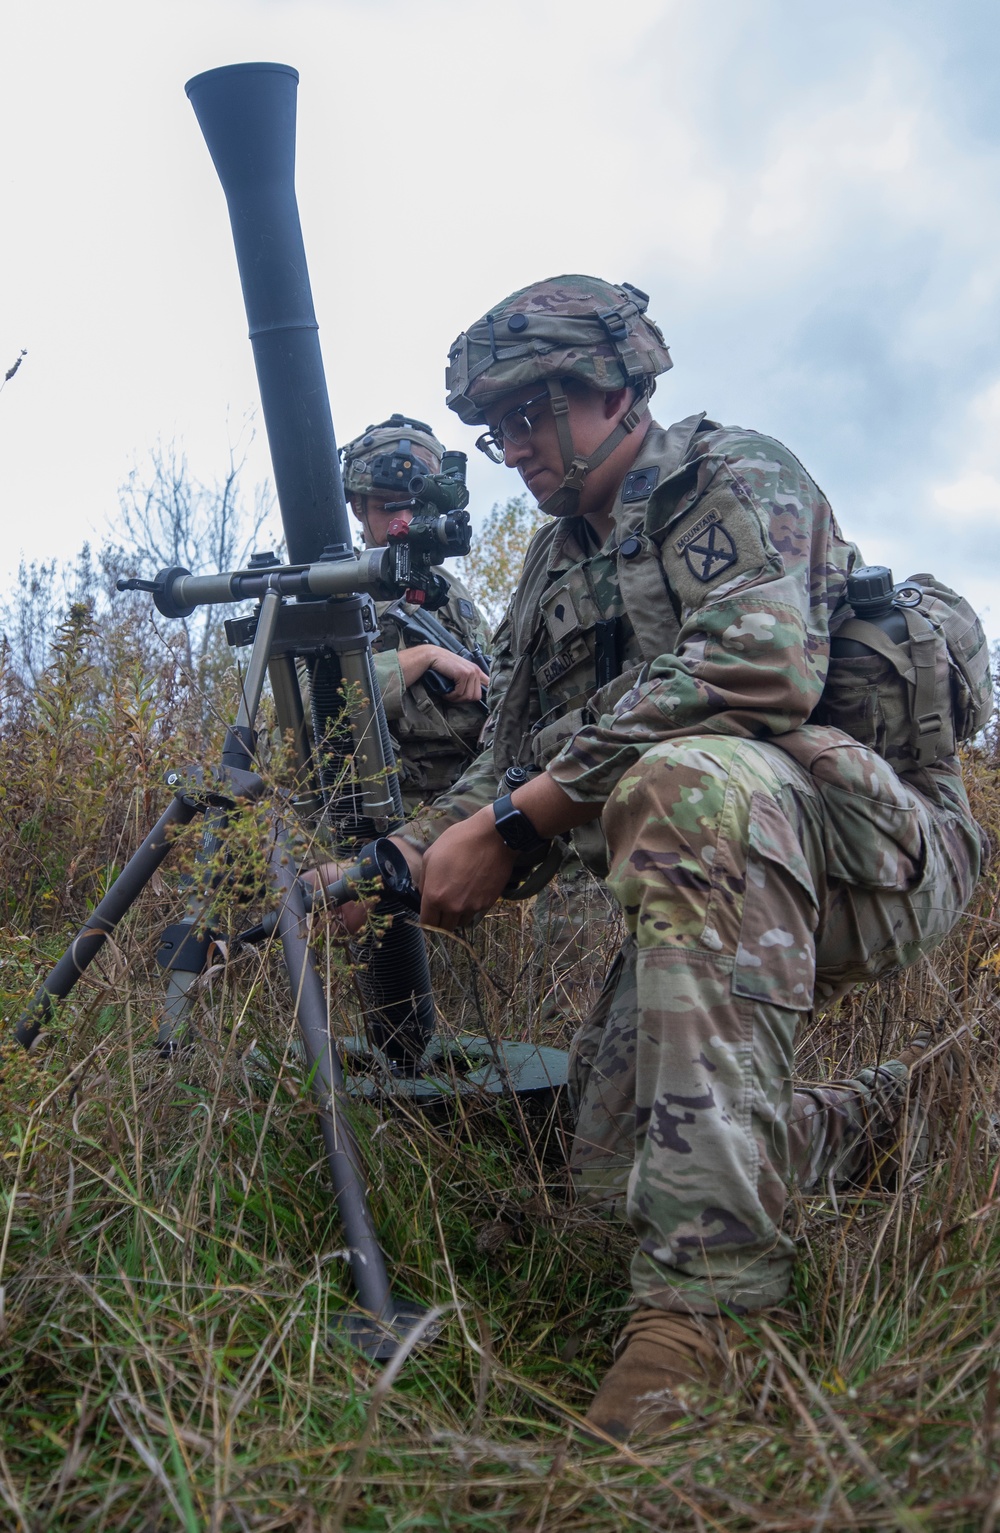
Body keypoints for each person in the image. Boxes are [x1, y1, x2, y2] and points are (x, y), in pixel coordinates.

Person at [328, 278, 986, 1440]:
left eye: (533, 415)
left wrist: (522, 821)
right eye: (498, 428)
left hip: (871, 849)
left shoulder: (732, 476)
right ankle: (873, 1116)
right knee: (608, 1174)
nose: (515, 449)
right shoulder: (553, 565)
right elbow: (505, 756)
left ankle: (708, 1319)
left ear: (613, 388)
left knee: (679, 780)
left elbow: (756, 672)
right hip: (720, 864)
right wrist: (399, 855)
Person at [339, 414, 491, 816]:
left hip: (465, 802)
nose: (402, 523)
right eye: (384, 506)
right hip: (372, 809)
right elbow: (306, 703)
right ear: (357, 507)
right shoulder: (334, 588)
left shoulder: (452, 593)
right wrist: (424, 659)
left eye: (413, 506)